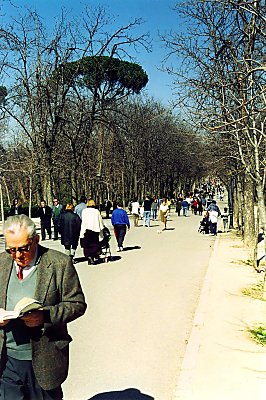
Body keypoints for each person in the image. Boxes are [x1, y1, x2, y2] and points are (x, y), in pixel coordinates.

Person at [0, 214, 86, 400]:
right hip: (7, 361)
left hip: (44, 360)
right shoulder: (2, 263)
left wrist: (45, 316)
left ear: (36, 240)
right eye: (11, 250)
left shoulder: (59, 264)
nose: (17, 256)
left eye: (23, 248)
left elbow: (77, 304)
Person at [80, 199, 104, 265]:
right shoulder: (96, 211)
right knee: (95, 244)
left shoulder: (84, 211)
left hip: (87, 230)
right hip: (95, 229)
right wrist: (101, 228)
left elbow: (83, 221)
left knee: (87, 245)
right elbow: (100, 220)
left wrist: (82, 232)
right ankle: (92, 256)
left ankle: (89, 257)